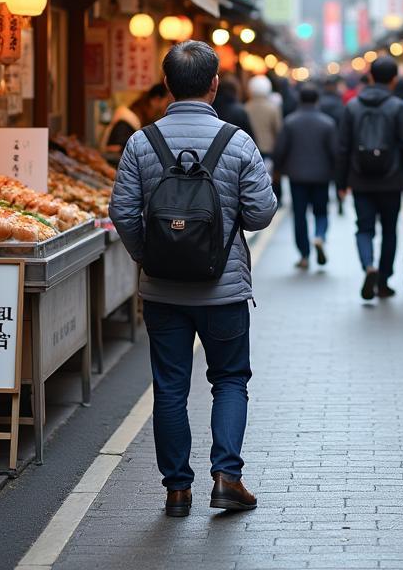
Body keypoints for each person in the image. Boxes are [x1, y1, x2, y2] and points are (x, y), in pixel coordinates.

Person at [109, 41, 277, 517]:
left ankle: (177, 490)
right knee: (228, 379)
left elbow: (122, 211)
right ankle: (227, 477)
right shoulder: (237, 142)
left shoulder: (142, 142)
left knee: (169, 386)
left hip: (162, 293)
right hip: (222, 290)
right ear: (215, 84)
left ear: (166, 85)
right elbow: (262, 213)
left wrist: (151, 257)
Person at [336, 55, 403, 301]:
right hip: (391, 180)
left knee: (364, 227)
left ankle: (369, 264)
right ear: (394, 79)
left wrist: (341, 182)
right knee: (390, 230)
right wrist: (397, 165)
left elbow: (342, 147)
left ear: (370, 77)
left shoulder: (353, 106)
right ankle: (383, 282)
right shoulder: (397, 106)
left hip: (360, 179)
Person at [274, 85, 337, 268]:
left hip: (297, 176)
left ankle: (304, 254)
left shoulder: (290, 122)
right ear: (317, 100)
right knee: (321, 211)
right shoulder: (327, 123)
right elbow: (335, 152)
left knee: (299, 215)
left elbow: (280, 150)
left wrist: (277, 171)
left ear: (300, 100)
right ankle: (319, 236)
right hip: (322, 175)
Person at [102, 83, 170, 161]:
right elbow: (113, 149)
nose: (167, 107)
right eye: (167, 101)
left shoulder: (137, 119)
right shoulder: (126, 120)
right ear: (156, 99)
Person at [318, 76, 346, 214]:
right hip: (337, 143)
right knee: (337, 174)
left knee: (324, 173)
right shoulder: (339, 102)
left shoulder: (320, 103)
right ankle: (340, 200)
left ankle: (324, 201)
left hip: (320, 144)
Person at [244, 74, 282, 160]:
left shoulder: (245, 108)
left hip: (248, 149)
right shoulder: (273, 108)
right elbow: (278, 130)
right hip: (268, 149)